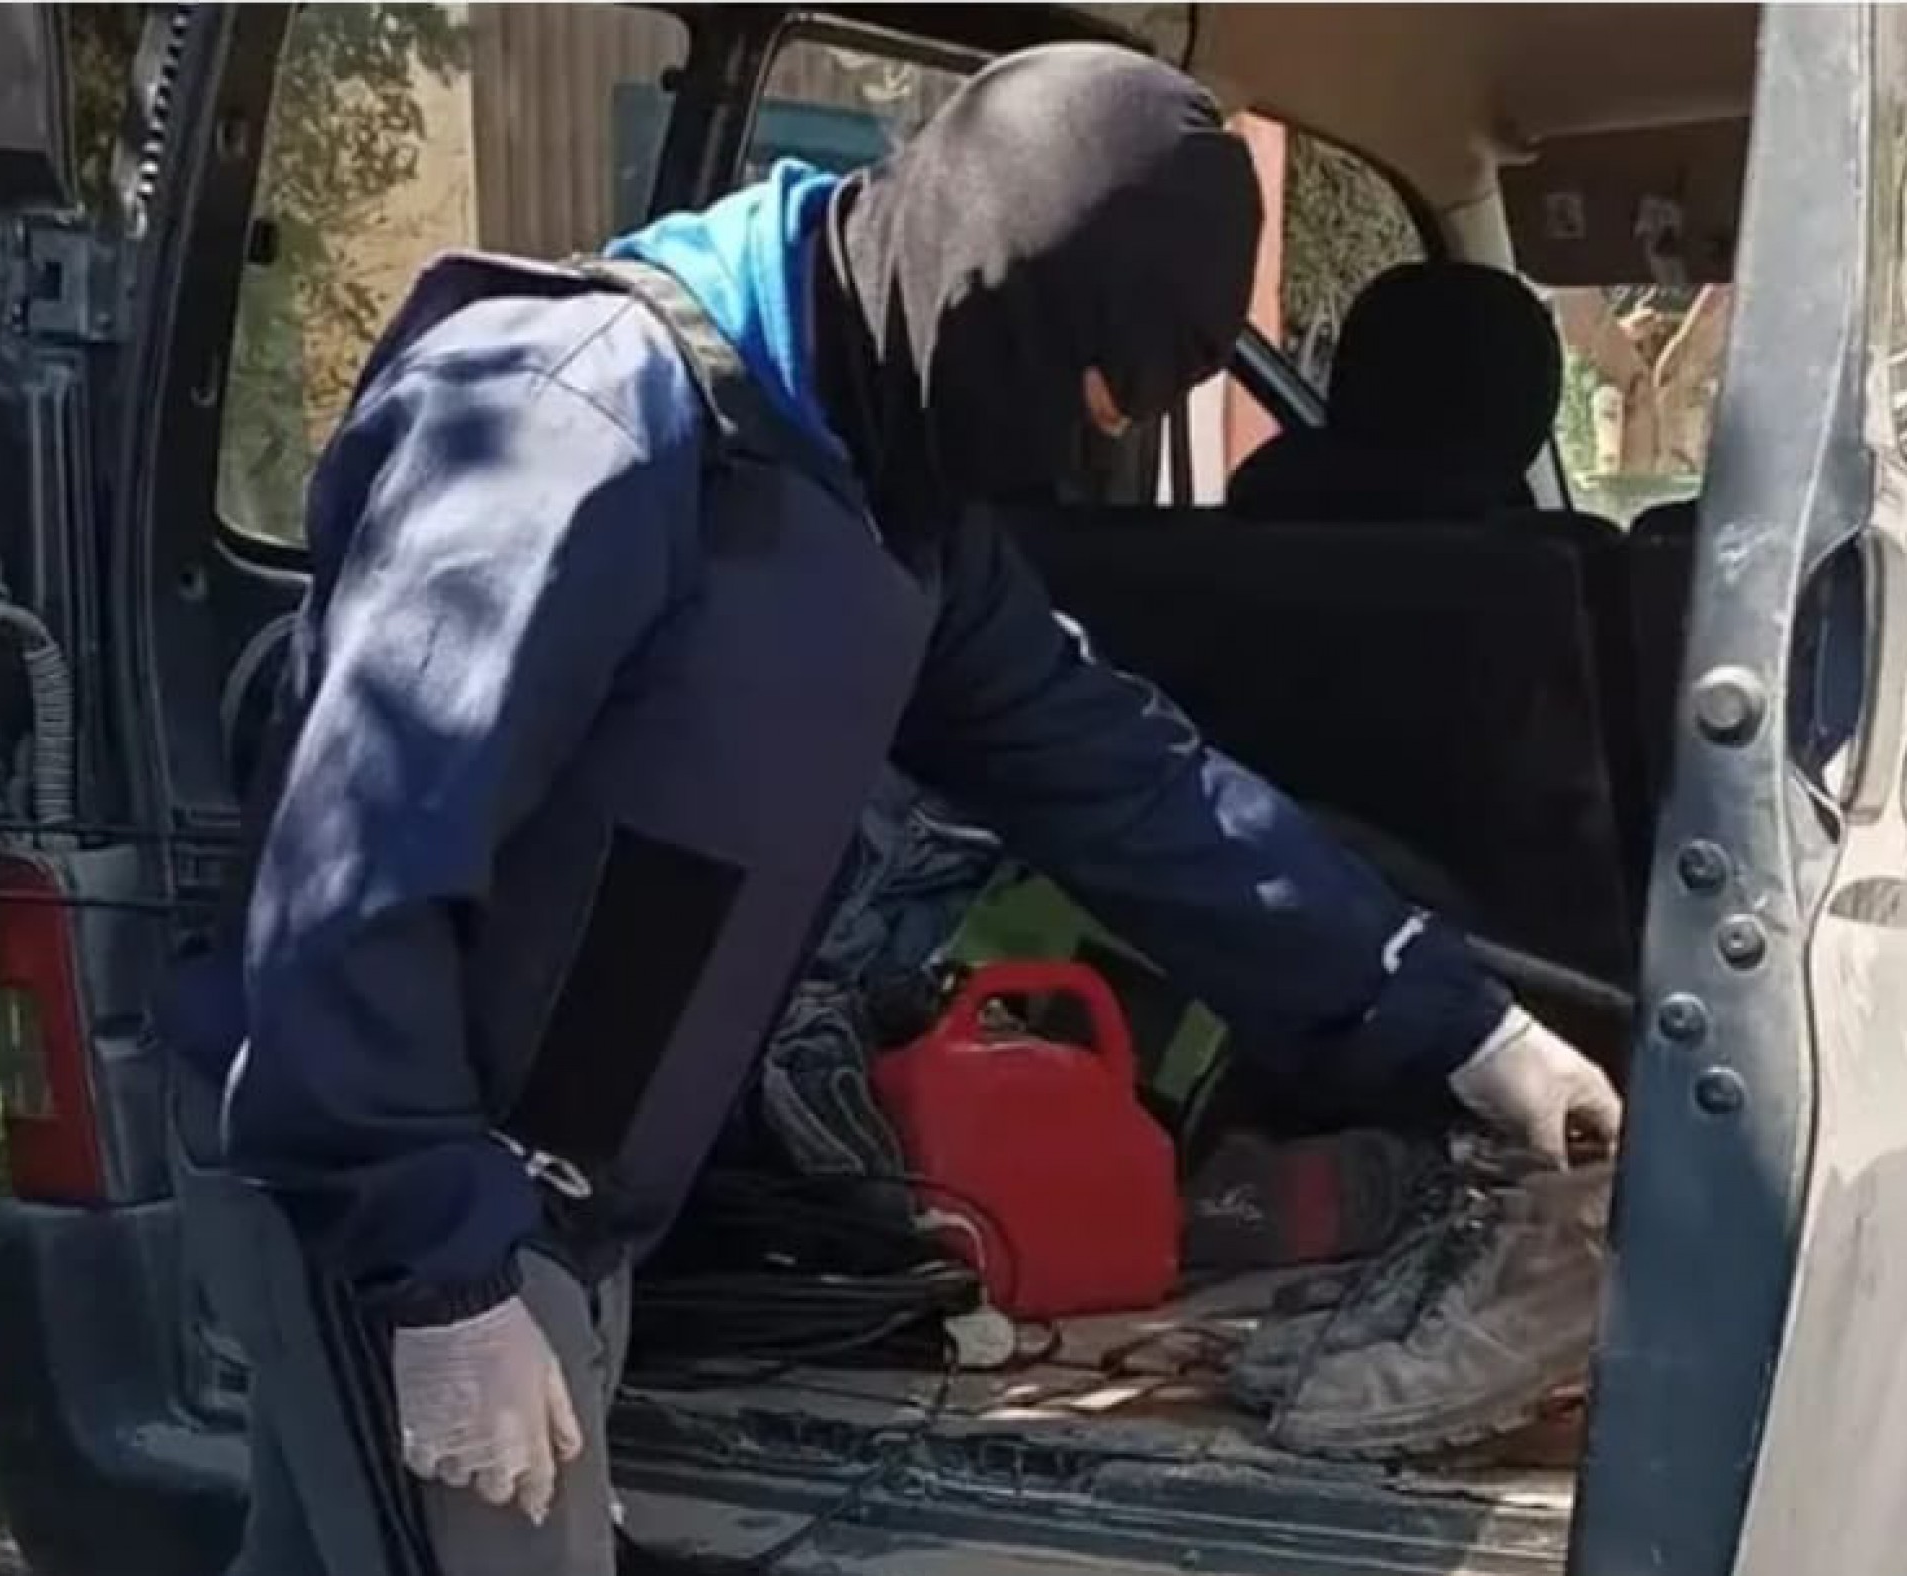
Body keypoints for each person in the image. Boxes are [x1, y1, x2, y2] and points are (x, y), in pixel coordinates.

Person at [217, 42, 1622, 1576]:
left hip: (564, 1214)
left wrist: (1458, 1027)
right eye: (1078, 390)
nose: (1074, 448)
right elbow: (356, 864)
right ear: (985, 285)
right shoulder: (588, 427)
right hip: (414, 1203)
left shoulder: (889, 489)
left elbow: (1131, 788)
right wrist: (444, 1269)